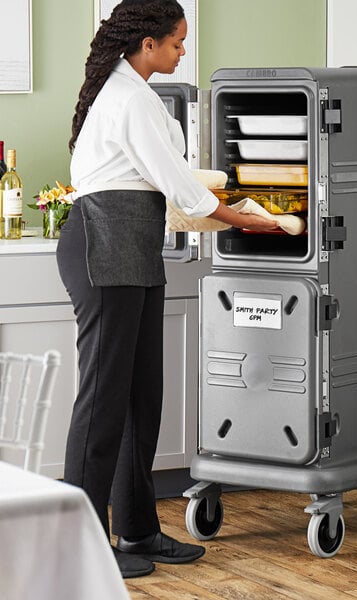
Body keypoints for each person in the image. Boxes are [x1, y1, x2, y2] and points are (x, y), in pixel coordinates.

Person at [57, 0, 278, 580]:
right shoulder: (130, 98)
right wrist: (237, 216)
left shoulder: (135, 95)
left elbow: (165, 175)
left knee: (140, 397)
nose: (183, 51)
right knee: (104, 403)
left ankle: (136, 529)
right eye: (177, 42)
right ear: (147, 44)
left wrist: (220, 209)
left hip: (132, 250)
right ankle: (77, 547)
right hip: (104, 247)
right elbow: (175, 180)